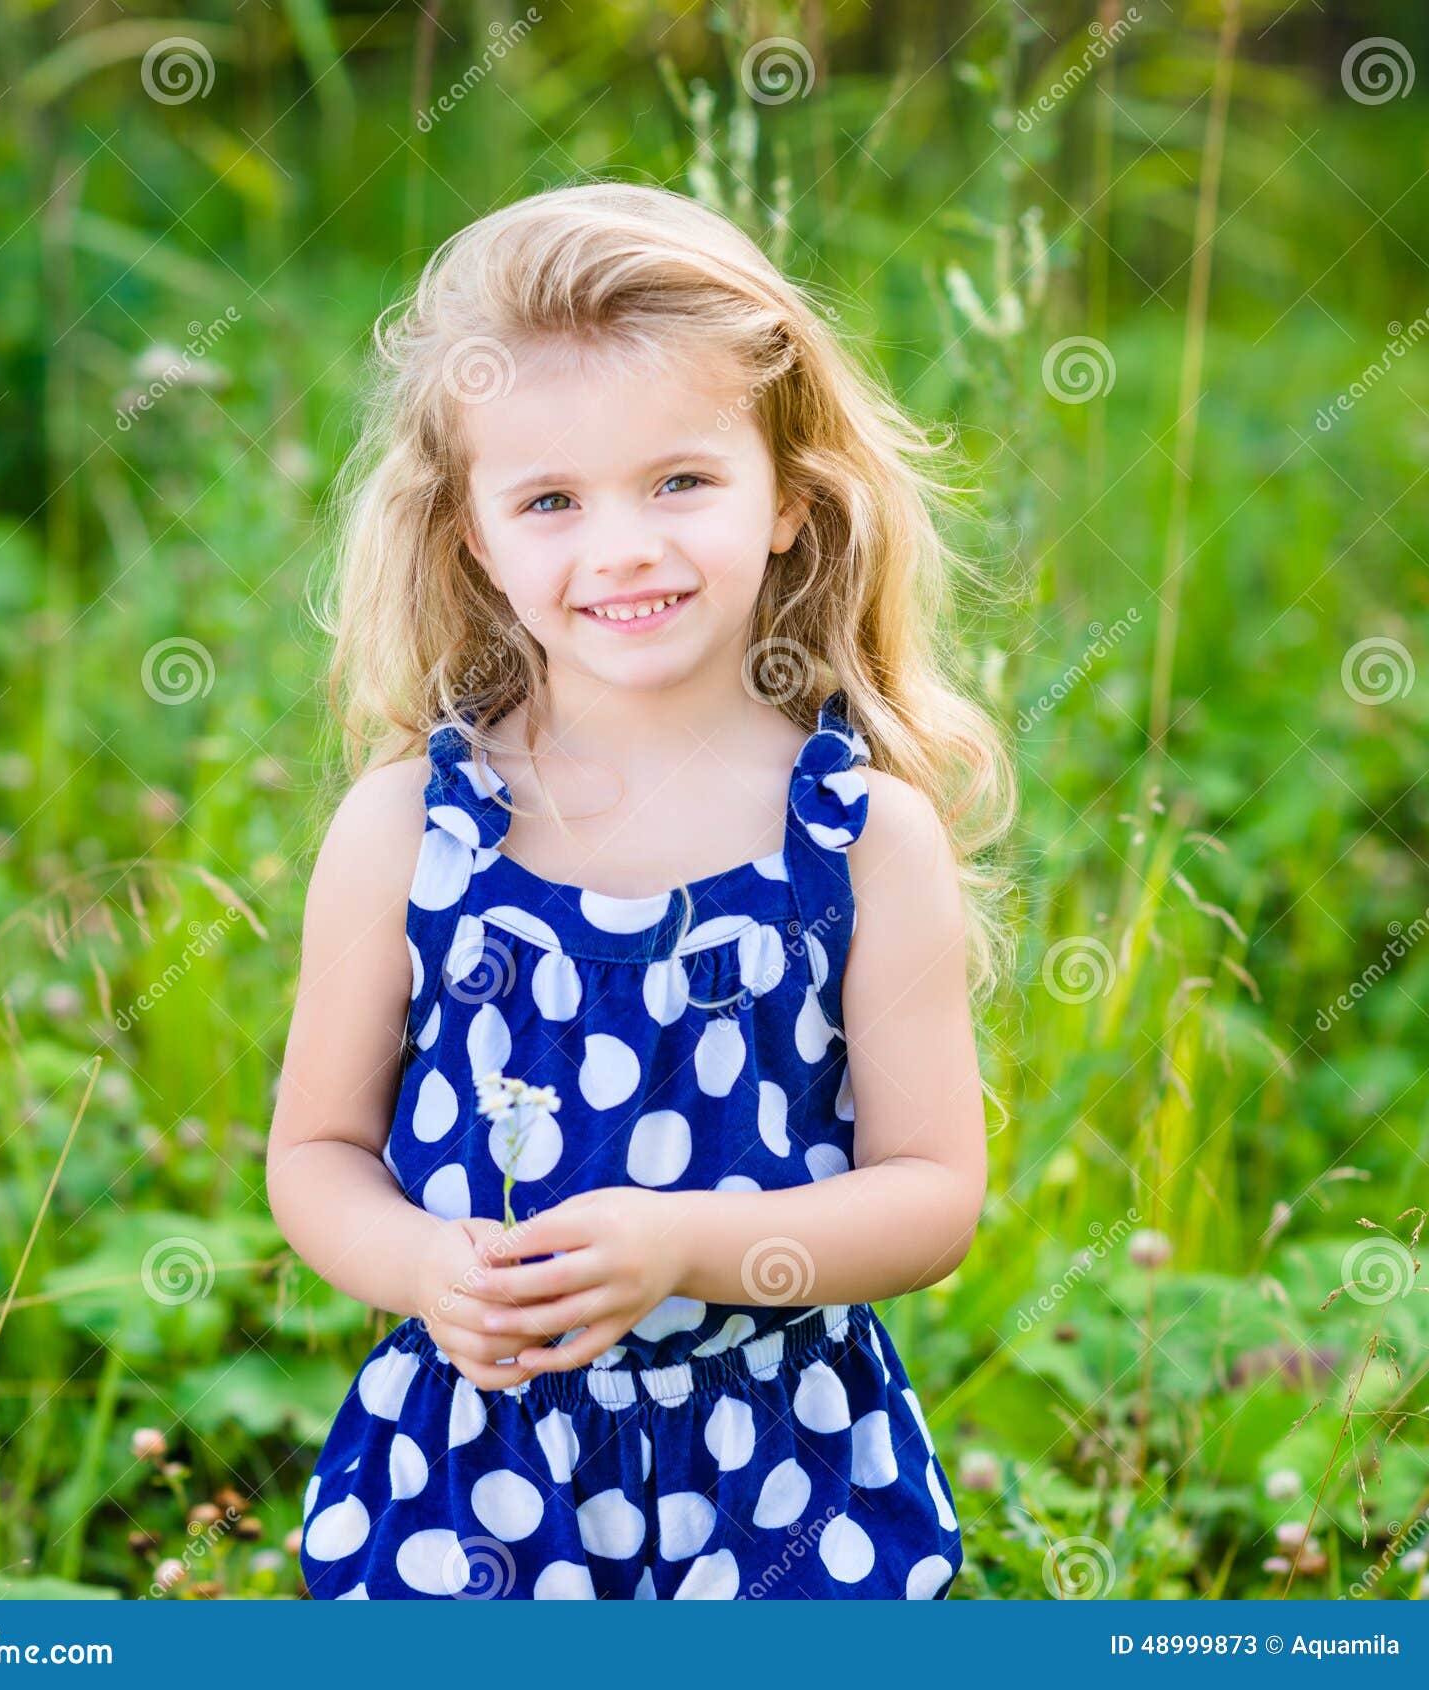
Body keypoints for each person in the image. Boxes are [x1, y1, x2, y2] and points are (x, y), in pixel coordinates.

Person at [267, 179, 1014, 1600]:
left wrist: (687, 1244)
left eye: (682, 480)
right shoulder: (407, 831)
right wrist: (426, 1267)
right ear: (476, 537)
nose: (622, 547)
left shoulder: (861, 841)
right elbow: (315, 1154)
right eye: (551, 499)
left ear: (788, 498)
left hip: (782, 1469)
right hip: (475, 1468)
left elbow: (931, 1197)